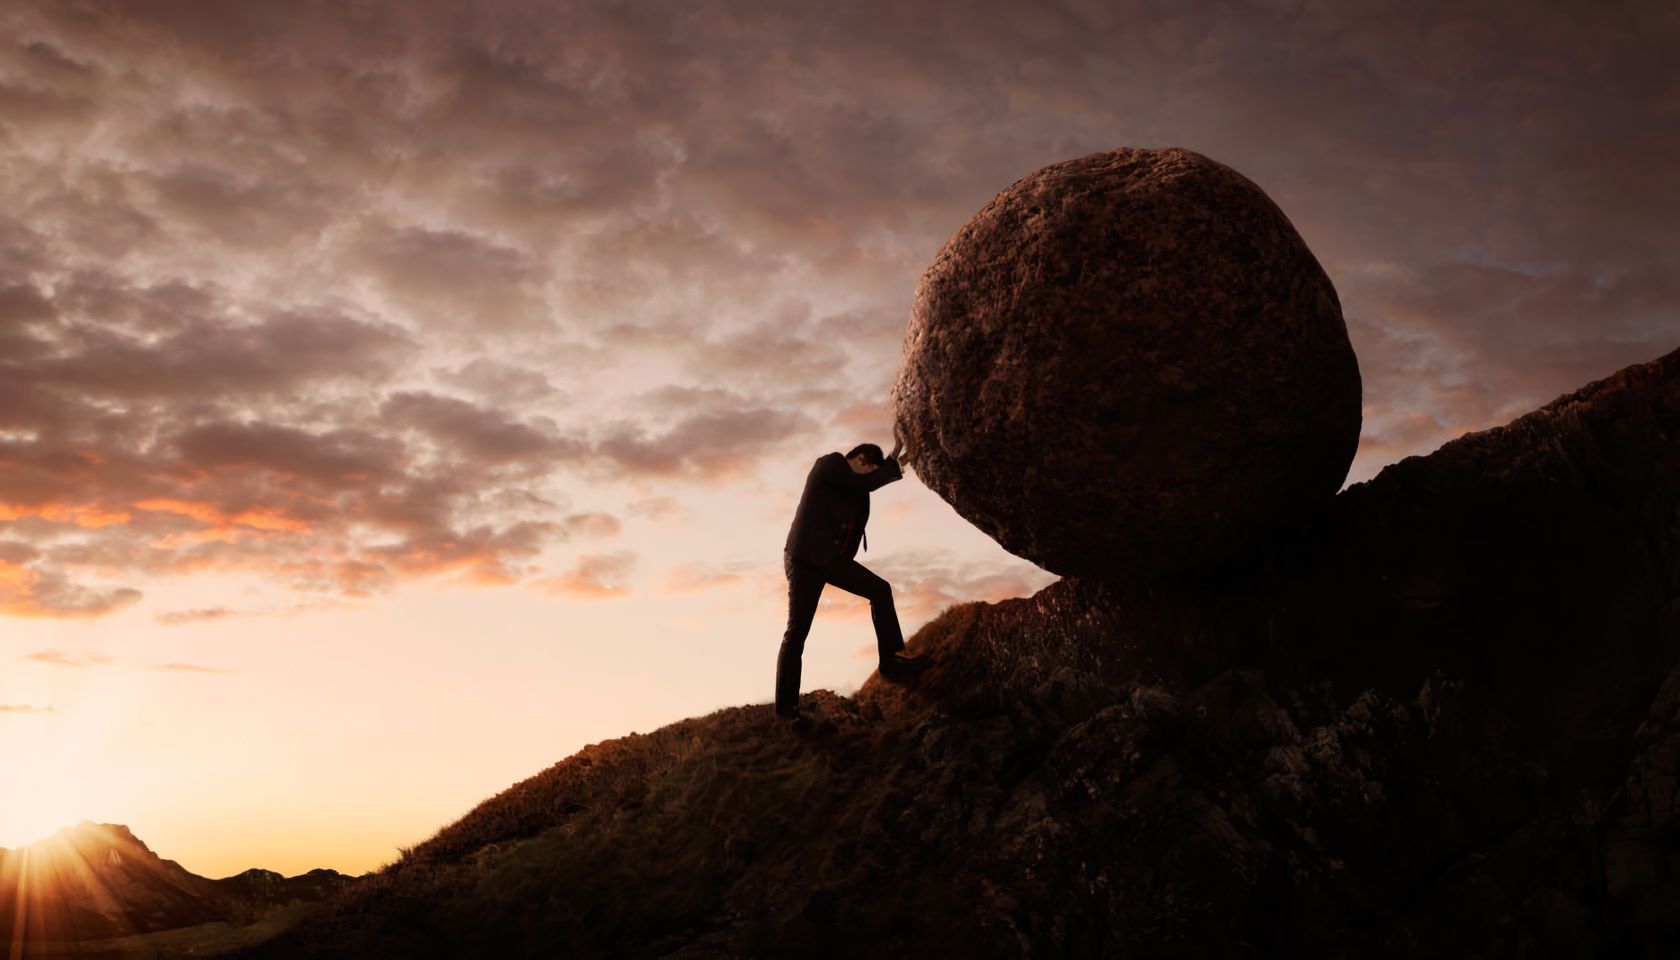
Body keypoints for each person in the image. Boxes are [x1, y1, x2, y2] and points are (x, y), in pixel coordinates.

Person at [775, 427, 927, 721]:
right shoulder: (830, 464)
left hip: (832, 560)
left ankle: (892, 662)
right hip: (805, 559)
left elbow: (865, 488)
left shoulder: (856, 485)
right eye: (869, 470)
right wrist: (894, 460)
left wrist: (892, 463)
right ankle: (786, 710)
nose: (869, 478)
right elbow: (865, 483)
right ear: (858, 459)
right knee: (797, 633)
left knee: (880, 590)